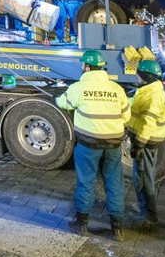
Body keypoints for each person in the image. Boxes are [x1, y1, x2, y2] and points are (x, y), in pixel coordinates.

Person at [56, 49, 131, 241]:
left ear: (87, 67)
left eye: (83, 64)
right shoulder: (116, 89)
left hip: (88, 145)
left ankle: (81, 224)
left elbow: (64, 103)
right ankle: (117, 227)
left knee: (86, 181)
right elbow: (126, 116)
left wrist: (55, 98)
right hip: (113, 145)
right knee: (114, 182)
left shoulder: (79, 87)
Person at [126, 59, 165, 230]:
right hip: (148, 140)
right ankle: (146, 211)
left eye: (138, 72)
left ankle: (149, 216)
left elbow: (148, 123)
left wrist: (139, 143)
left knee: (144, 179)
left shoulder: (153, 95)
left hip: (147, 141)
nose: (136, 75)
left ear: (144, 75)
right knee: (143, 177)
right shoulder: (150, 90)